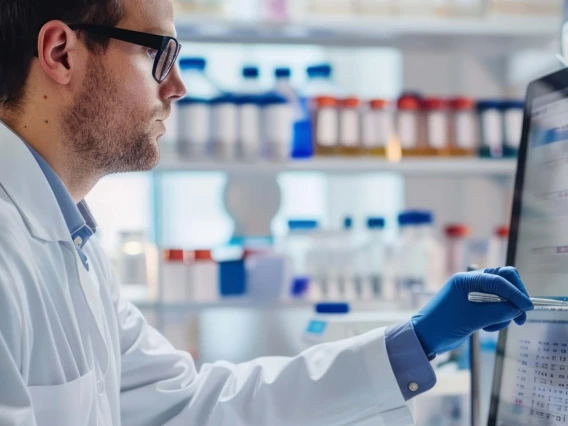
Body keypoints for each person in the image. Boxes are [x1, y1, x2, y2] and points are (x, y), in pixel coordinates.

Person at [0, 1, 534, 425]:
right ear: (62, 52)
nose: (178, 86)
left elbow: (189, 405)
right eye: (159, 54)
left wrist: (414, 343)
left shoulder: (73, 242)